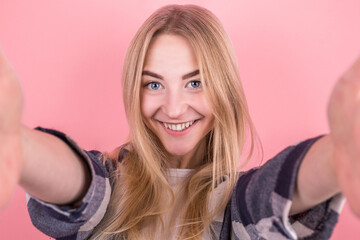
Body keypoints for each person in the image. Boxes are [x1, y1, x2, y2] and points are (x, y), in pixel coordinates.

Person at [0, 4, 359, 240]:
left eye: (195, 83)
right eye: (154, 84)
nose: (173, 109)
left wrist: (337, 155)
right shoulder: (109, 186)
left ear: (224, 88)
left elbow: (272, 194)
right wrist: (20, 146)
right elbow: (79, 184)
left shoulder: (238, 202)